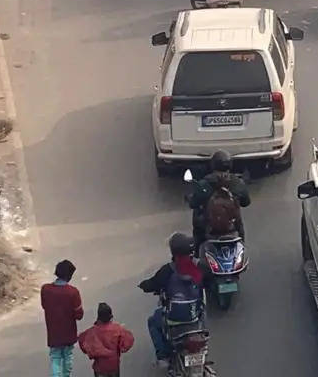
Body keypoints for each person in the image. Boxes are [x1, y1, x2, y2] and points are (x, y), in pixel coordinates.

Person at [138, 233, 204, 372]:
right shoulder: (198, 266)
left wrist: (143, 285)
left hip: (174, 322)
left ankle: (163, 357)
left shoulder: (168, 271)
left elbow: (152, 284)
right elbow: (209, 281)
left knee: (153, 321)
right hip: (195, 319)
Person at [186, 150, 251, 249]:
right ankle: (242, 246)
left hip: (208, 232)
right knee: (240, 225)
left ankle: (197, 249)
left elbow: (193, 203)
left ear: (213, 165)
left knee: (197, 218)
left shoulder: (204, 184)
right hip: (233, 229)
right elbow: (246, 202)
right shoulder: (238, 183)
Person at [41, 259, 84, 377]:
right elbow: (79, 315)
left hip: (53, 332)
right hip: (68, 332)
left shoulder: (45, 289)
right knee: (68, 356)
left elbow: (44, 306)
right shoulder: (73, 292)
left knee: (55, 357)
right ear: (69, 276)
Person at [77, 303, 134, 377]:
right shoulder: (117, 329)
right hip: (114, 366)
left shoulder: (92, 332)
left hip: (100, 368)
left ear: (98, 317)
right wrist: (120, 347)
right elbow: (128, 341)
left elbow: (82, 341)